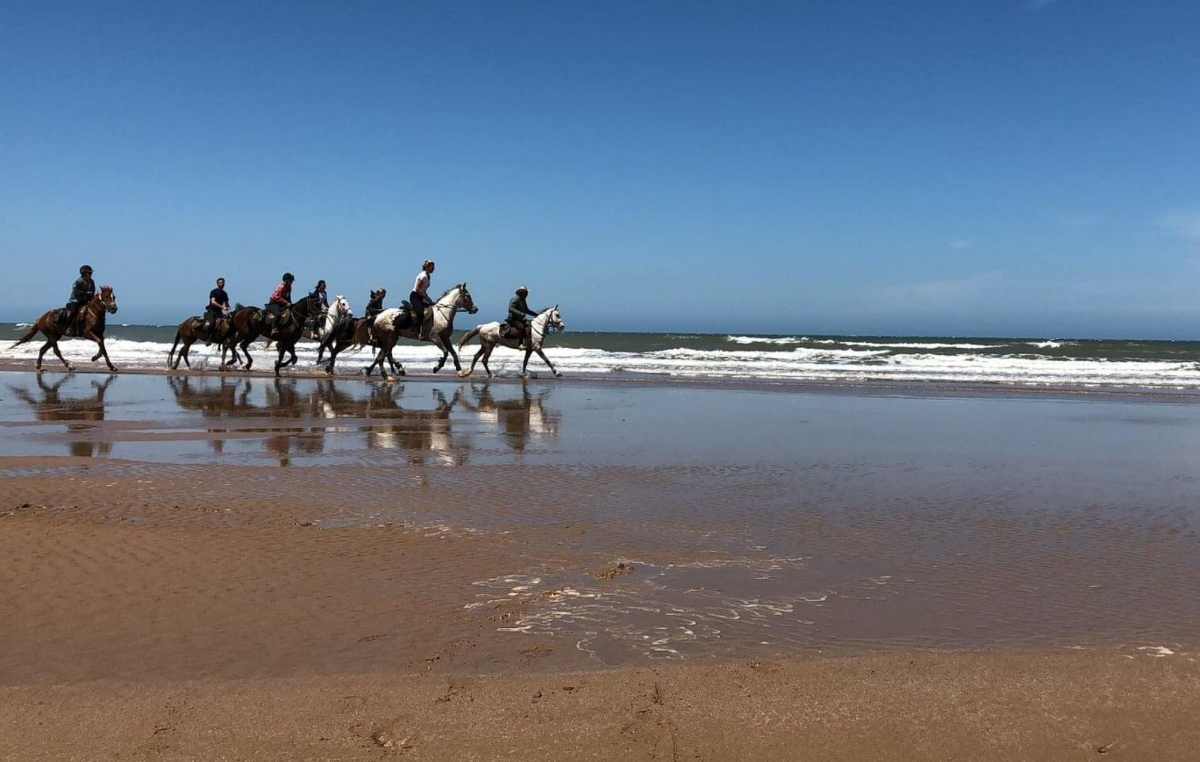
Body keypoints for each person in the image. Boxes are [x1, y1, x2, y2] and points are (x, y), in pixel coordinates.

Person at [59, 265, 96, 331]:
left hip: (86, 301)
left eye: (91, 273)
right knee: (74, 311)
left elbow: (93, 291)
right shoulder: (78, 282)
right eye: (89, 273)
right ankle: (68, 327)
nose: (91, 274)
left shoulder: (91, 281)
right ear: (84, 273)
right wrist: (86, 293)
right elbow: (76, 292)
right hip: (76, 300)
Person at [410, 259, 435, 340]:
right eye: (431, 267)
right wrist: (427, 298)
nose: (433, 268)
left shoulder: (428, 276)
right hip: (415, 296)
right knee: (420, 313)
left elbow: (423, 290)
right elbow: (418, 289)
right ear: (427, 267)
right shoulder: (423, 276)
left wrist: (427, 298)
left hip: (421, 296)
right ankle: (415, 330)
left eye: (433, 267)